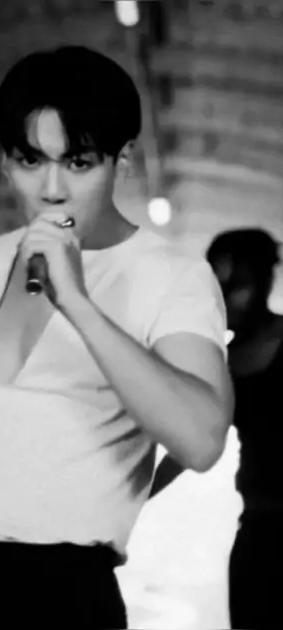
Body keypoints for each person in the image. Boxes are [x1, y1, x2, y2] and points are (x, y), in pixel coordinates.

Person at [0, 46, 233, 630]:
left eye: (78, 162)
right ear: (5, 166)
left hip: (63, 593)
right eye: (30, 160)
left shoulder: (172, 276)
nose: (51, 189)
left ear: (122, 162)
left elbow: (202, 441)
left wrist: (78, 303)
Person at [206, 228, 283, 629]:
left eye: (235, 285)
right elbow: (196, 442)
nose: (222, 298)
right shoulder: (223, 362)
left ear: (265, 281)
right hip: (259, 532)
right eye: (215, 286)